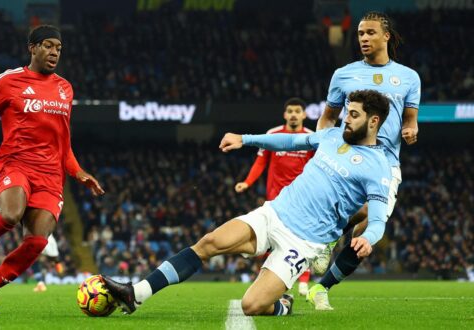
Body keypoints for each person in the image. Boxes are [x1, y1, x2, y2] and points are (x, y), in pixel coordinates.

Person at [102, 90, 392, 317]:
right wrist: (245, 139)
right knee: (210, 242)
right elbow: (290, 143)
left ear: (373, 121)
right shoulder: (331, 136)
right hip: (275, 213)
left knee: (251, 306)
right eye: (347, 113)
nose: (346, 119)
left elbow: (378, 219)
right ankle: (136, 293)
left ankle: (283, 306)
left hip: (304, 242)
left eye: (354, 115)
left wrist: (367, 238)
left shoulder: (377, 167)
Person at [0, 25, 105, 314]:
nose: (54, 52)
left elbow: (63, 143)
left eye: (58, 48)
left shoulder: (65, 88)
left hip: (51, 176)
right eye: (48, 46)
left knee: (37, 242)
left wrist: (79, 172)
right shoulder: (9, 81)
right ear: (32, 48)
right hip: (17, 163)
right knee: (11, 214)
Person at [308, 11, 420, 310]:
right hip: (351, 157)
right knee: (367, 215)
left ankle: (321, 288)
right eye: (360, 34)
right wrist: (323, 145)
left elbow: (410, 119)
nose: (364, 39)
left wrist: (411, 130)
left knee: (364, 237)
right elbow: (328, 117)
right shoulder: (343, 74)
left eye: (370, 33)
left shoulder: (409, 77)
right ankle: (324, 243)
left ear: (386, 36)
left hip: (385, 162)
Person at [235, 97, 315, 295]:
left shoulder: (312, 138)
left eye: (298, 111)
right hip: (276, 200)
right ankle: (268, 281)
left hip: (302, 199)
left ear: (304, 115)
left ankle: (304, 280)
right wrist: (247, 182)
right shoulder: (273, 134)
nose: (294, 114)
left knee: (301, 239)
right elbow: (261, 162)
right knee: (272, 241)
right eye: (290, 111)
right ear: (285, 115)